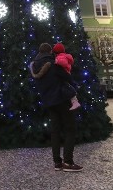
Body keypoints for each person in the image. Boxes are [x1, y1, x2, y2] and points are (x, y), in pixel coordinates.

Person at [30, 42, 82, 172]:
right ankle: (68, 163)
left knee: (55, 131)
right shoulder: (53, 64)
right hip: (62, 99)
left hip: (48, 102)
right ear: (50, 52)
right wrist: (75, 85)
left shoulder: (34, 66)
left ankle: (57, 162)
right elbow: (67, 77)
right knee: (70, 129)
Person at [52, 43, 80, 110]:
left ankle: (75, 102)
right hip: (66, 72)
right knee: (67, 87)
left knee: (67, 87)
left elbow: (63, 63)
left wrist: (56, 61)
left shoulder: (60, 56)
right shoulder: (65, 55)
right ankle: (74, 101)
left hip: (65, 72)